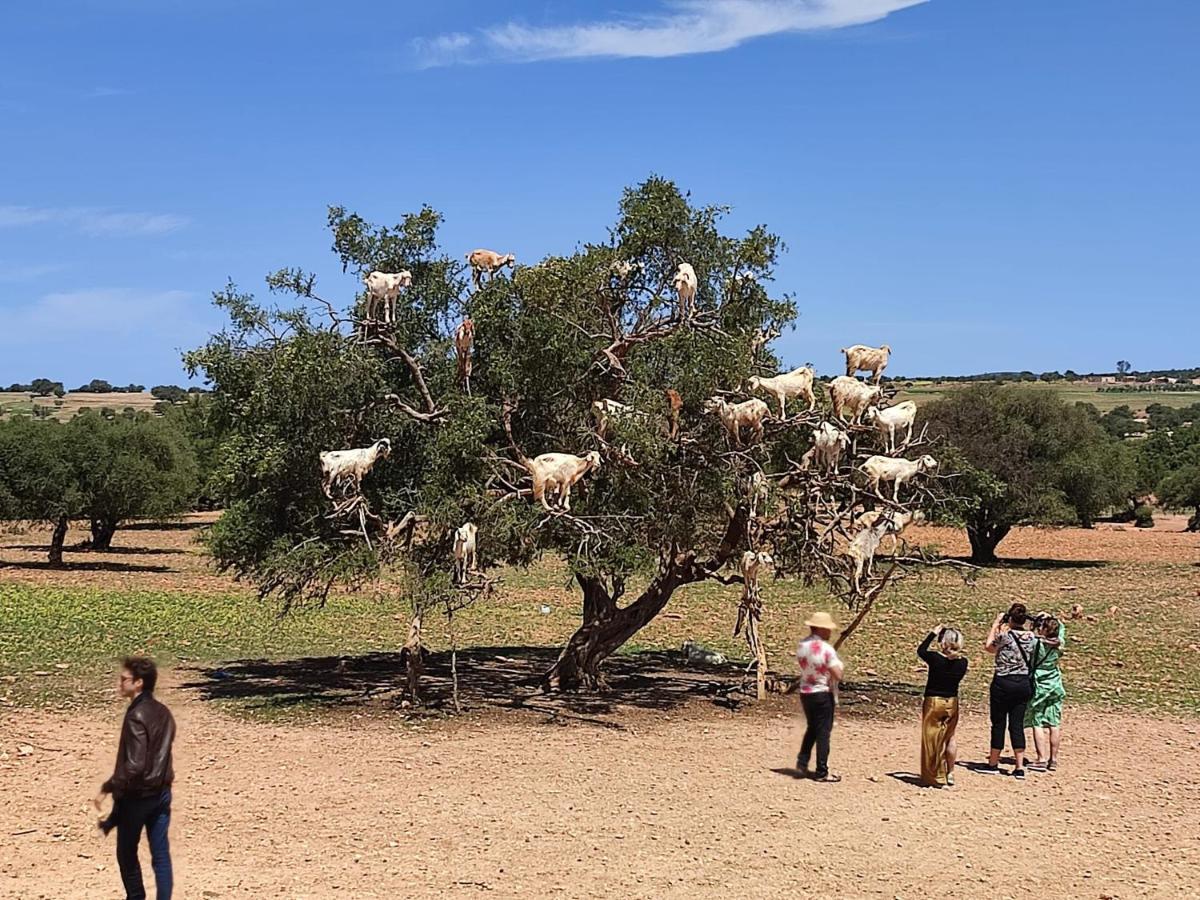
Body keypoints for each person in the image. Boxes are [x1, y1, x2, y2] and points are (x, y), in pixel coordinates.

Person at [94, 657, 176, 900]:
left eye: (124, 679)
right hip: (162, 792)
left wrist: (109, 786)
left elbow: (136, 764)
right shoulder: (164, 712)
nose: (119, 684)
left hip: (140, 796)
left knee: (127, 853)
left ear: (138, 683)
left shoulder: (135, 715)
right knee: (160, 853)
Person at [983, 602, 1038, 779]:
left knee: (998, 723)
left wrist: (995, 624)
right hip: (1022, 683)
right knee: (1017, 724)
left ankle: (993, 763)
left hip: (1002, 682)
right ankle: (1019, 766)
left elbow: (989, 647)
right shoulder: (1032, 638)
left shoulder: (1005, 636)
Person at [794, 611, 845, 783]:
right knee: (823, 732)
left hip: (806, 691)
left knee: (812, 728)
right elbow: (837, 674)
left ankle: (802, 761)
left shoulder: (803, 645)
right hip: (822, 692)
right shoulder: (826, 649)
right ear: (821, 629)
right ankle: (822, 771)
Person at [917, 624, 968, 787]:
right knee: (950, 737)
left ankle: (934, 775)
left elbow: (921, 650)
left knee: (931, 738)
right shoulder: (963, 663)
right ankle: (950, 772)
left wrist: (933, 633)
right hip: (952, 702)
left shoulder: (935, 659)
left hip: (934, 702)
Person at [1025, 614, 1066, 772]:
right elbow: (1061, 627)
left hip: (1039, 684)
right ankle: (1053, 759)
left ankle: (1041, 758)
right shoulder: (1059, 643)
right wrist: (1051, 617)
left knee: (1038, 722)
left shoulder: (1036, 644)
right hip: (1055, 683)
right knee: (1054, 723)